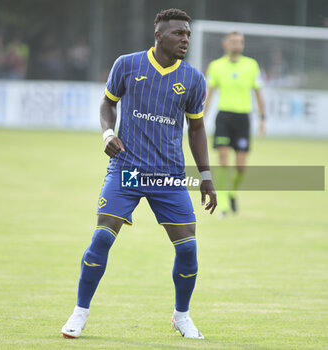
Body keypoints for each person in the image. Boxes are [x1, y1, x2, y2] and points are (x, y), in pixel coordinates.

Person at [61, 8, 217, 340]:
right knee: (102, 238)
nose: (185, 39)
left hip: (169, 176)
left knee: (188, 249)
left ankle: (182, 315)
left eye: (188, 34)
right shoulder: (127, 64)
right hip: (127, 170)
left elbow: (197, 128)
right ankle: (79, 312)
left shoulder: (193, 78)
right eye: (178, 33)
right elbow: (107, 104)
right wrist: (107, 133)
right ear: (159, 35)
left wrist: (205, 175)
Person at [204, 31, 265, 216]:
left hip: (242, 119)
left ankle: (231, 192)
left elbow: (258, 93)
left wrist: (263, 118)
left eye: (240, 42)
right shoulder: (216, 66)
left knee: (240, 167)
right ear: (226, 44)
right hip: (224, 118)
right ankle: (222, 204)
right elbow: (210, 92)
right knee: (223, 161)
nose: (237, 44)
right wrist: (201, 117)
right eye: (234, 41)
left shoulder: (251, 65)